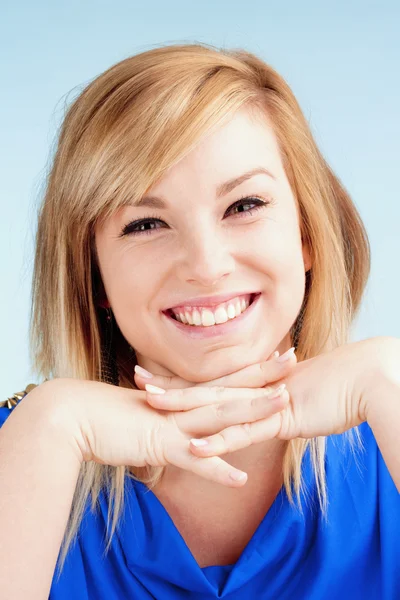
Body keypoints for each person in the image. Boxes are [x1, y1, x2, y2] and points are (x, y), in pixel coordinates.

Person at [0, 42, 399, 600]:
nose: (206, 268)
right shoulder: (25, 443)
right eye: (144, 224)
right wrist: (48, 427)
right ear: (93, 277)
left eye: (244, 206)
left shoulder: (390, 424)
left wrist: (389, 381)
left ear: (307, 233)